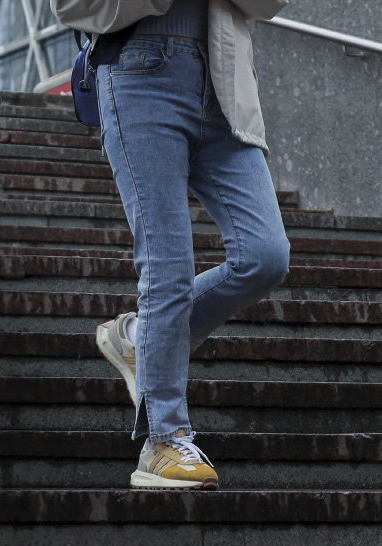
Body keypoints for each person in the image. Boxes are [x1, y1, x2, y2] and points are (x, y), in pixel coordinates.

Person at [90, 0, 291, 490]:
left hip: (223, 82)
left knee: (265, 257)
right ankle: (162, 440)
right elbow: (72, 7)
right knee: (167, 266)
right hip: (141, 74)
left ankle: (141, 339)